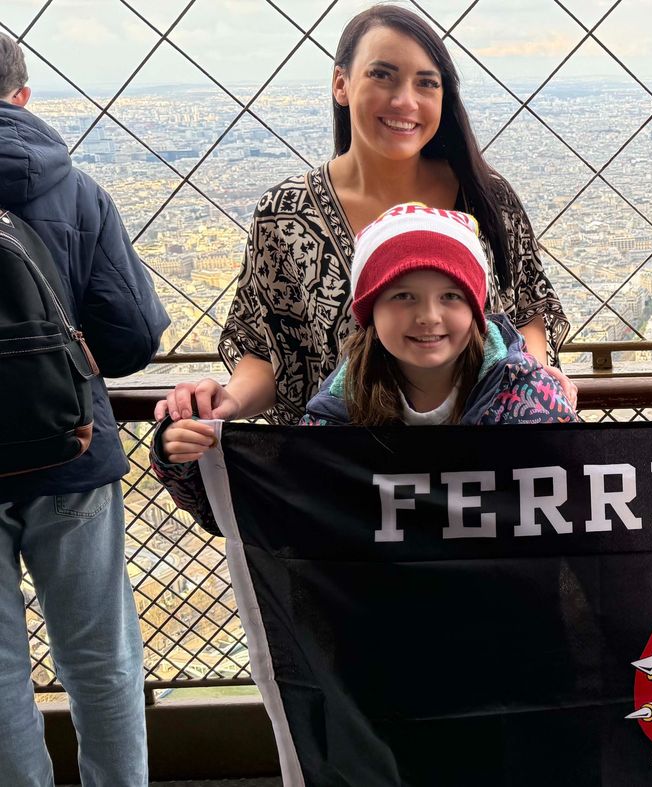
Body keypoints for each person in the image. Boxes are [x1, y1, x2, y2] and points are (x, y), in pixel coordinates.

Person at [153, 3, 574, 431]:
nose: (405, 100)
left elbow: (527, 315)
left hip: (480, 467)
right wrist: (228, 401)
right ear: (341, 83)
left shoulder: (487, 196)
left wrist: (527, 388)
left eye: (427, 83)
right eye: (382, 75)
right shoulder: (284, 215)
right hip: (349, 468)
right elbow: (269, 350)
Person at [154, 204, 578, 533]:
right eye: (403, 297)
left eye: (451, 296)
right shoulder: (334, 414)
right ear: (369, 313)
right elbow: (256, 513)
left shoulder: (529, 394)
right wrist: (183, 456)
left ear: (477, 310)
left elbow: (578, 495)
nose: (429, 316)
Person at [0, 33, 170, 787]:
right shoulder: (74, 188)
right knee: (101, 657)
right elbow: (132, 335)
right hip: (71, 447)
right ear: (23, 95)